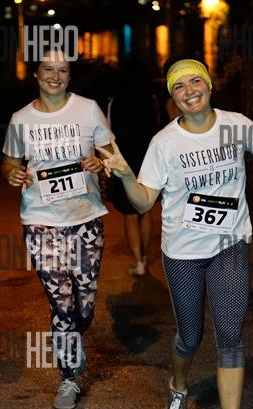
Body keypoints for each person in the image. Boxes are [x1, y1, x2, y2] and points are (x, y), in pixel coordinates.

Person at [97, 56, 253, 409]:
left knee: (231, 336)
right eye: (179, 86)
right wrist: (125, 176)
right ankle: (178, 387)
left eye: (195, 81)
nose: (189, 91)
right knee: (190, 336)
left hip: (229, 245)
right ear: (172, 98)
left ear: (208, 85)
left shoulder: (237, 125)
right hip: (184, 253)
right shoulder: (164, 143)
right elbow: (144, 201)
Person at [1, 49, 113, 409]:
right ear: (36, 74)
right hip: (41, 221)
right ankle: (68, 379)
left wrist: (100, 161)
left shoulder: (88, 109)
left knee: (84, 305)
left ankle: (74, 337)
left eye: (62, 70)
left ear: (69, 75)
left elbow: (110, 155)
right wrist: (12, 173)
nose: (55, 75)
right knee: (60, 301)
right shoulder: (21, 119)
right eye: (48, 69)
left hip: (85, 219)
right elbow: (9, 162)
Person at [107, 63, 160, 276]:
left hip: (125, 163)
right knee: (145, 210)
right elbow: (157, 128)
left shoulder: (115, 102)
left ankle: (138, 262)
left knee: (129, 214)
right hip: (148, 161)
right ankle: (144, 257)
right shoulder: (150, 100)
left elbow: (109, 134)